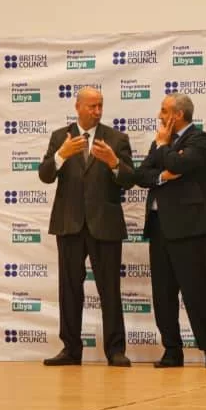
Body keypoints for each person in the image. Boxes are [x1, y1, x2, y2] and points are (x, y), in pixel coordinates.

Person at [38, 87, 137, 367]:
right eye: (92, 106)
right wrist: (61, 155)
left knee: (110, 290)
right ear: (78, 107)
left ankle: (115, 350)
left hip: (104, 223)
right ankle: (71, 349)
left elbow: (130, 179)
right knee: (69, 289)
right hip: (69, 223)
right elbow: (45, 175)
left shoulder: (116, 139)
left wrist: (114, 162)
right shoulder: (61, 137)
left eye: (100, 106)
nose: (97, 111)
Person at [135, 92, 206, 369]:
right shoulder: (162, 141)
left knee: (195, 292)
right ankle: (172, 350)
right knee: (163, 293)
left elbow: (179, 164)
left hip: (189, 229)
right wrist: (162, 175)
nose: (159, 116)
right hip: (159, 227)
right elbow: (142, 175)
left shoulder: (200, 140)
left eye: (164, 111)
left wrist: (164, 149)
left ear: (178, 115)